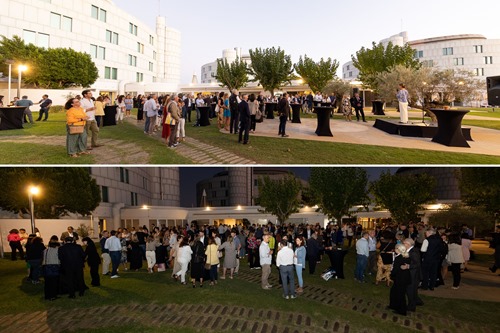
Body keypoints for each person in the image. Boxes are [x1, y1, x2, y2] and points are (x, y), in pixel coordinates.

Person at [388, 243, 411, 316]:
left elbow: (395, 269)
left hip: (401, 279)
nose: (395, 250)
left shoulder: (399, 258)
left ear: (399, 249)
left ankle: (402, 310)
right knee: (394, 292)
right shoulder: (406, 256)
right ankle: (393, 305)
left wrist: (391, 274)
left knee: (400, 294)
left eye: (396, 248)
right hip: (402, 278)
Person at [403, 238, 424, 312]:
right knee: (413, 290)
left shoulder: (413, 252)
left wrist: (408, 266)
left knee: (410, 290)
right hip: (413, 274)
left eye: (404, 243)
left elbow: (417, 264)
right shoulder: (411, 250)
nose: (403, 244)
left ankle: (411, 307)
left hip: (414, 275)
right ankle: (418, 301)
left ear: (408, 244)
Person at [43, 236, 61, 301]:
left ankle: (47, 295)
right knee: (54, 282)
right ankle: (53, 295)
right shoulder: (57, 250)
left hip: (46, 267)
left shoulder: (45, 250)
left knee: (47, 283)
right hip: (55, 267)